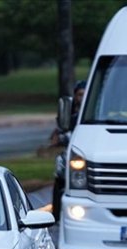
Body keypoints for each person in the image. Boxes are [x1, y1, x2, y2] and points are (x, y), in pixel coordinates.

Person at [50, 80, 86, 221]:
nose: (82, 99)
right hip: (72, 155)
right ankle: (57, 214)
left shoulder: (95, 113)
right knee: (60, 169)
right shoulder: (69, 117)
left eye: (85, 95)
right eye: (79, 95)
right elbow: (56, 135)